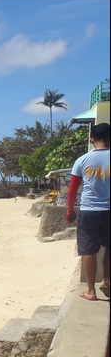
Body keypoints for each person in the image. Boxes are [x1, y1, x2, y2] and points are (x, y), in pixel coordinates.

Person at [66, 122, 110, 301]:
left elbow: (72, 190)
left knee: (88, 251)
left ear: (92, 140)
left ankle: (91, 291)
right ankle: (106, 280)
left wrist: (69, 211)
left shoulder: (82, 160)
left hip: (89, 211)